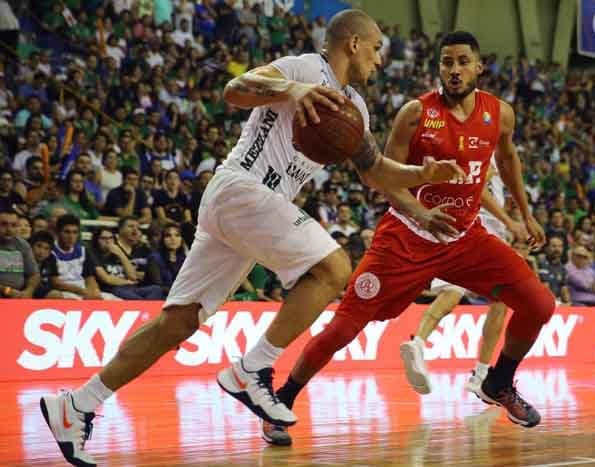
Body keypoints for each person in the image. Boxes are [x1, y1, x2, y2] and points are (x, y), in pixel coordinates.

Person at [39, 10, 464, 467]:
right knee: (334, 268)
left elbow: (375, 169)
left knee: (177, 323)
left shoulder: (354, 108)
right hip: (242, 187)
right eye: (377, 48)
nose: (381, 60)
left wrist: (421, 174)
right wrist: (292, 89)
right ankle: (253, 368)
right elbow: (234, 90)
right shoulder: (305, 68)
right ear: (354, 44)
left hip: (250, 211)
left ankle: (76, 405)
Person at [265, 31, 555, 446]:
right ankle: (282, 397)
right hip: (406, 237)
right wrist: (420, 211)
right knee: (345, 326)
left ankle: (499, 382)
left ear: (479, 66)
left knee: (539, 303)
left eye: (462, 62)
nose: (454, 70)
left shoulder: (499, 114)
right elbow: (383, 178)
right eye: (446, 62)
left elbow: (506, 158)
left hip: (465, 238)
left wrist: (522, 217)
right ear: (438, 67)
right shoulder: (416, 113)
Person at [398, 160, 529, 397]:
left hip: (458, 221)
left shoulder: (469, 147)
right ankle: (479, 375)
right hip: (479, 228)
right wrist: (509, 221)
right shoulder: (486, 151)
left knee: (454, 291)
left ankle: (418, 341)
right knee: (499, 300)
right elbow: (477, 187)